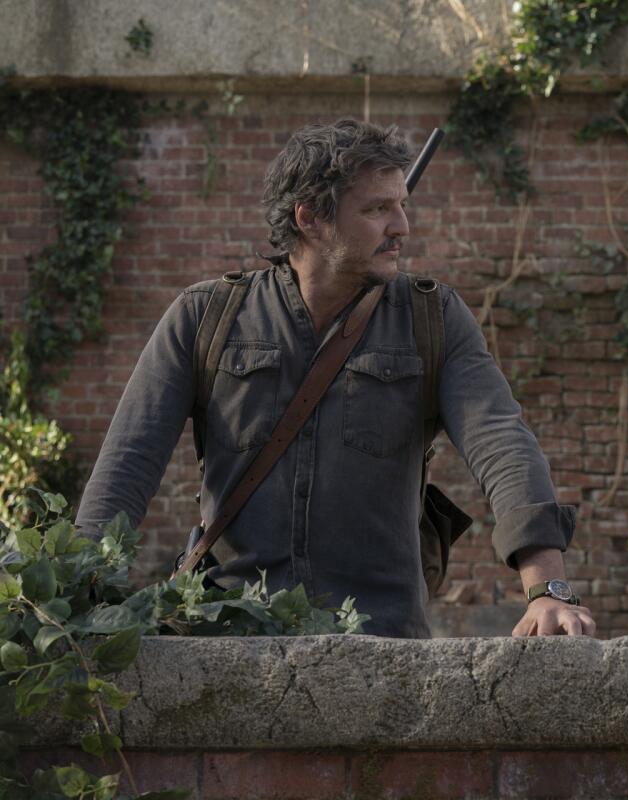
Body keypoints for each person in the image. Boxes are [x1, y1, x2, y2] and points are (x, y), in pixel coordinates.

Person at [76, 118, 595, 639]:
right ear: (310, 219)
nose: (402, 227)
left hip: (381, 640)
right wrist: (76, 592)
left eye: (401, 205)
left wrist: (548, 589)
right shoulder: (205, 316)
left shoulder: (432, 319)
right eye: (377, 209)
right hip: (225, 634)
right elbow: (128, 463)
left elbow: (501, 441)